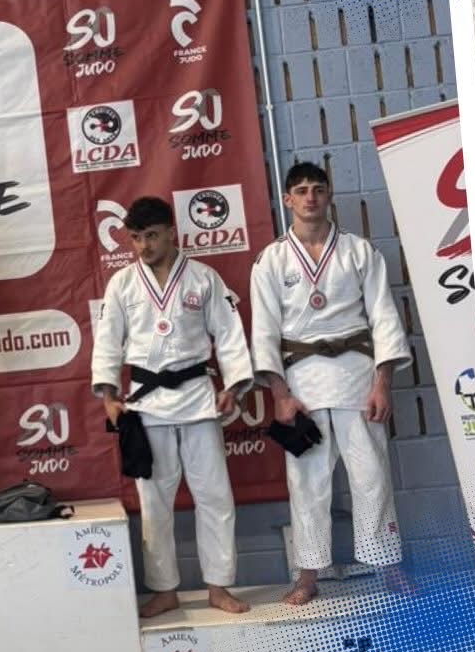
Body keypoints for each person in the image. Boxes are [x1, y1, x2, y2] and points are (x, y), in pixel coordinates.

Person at [250, 161, 412, 606]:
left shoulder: (359, 252)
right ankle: (307, 575)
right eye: (301, 190)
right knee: (307, 481)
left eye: (318, 189)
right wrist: (280, 396)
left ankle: (388, 564)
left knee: (372, 473)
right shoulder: (270, 261)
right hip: (302, 382)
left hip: (358, 376)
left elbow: (384, 318)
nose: (310, 197)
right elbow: (264, 333)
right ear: (287, 199)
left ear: (329, 194)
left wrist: (383, 383)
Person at [92, 195, 254, 617]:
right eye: (135, 238)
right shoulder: (122, 284)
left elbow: (229, 334)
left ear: (170, 233)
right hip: (146, 404)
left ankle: (218, 585)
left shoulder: (203, 278)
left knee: (214, 496)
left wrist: (233, 387)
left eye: (151, 236)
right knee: (154, 503)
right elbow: (107, 340)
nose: (143, 246)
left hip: (198, 398)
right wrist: (108, 395)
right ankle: (164, 589)